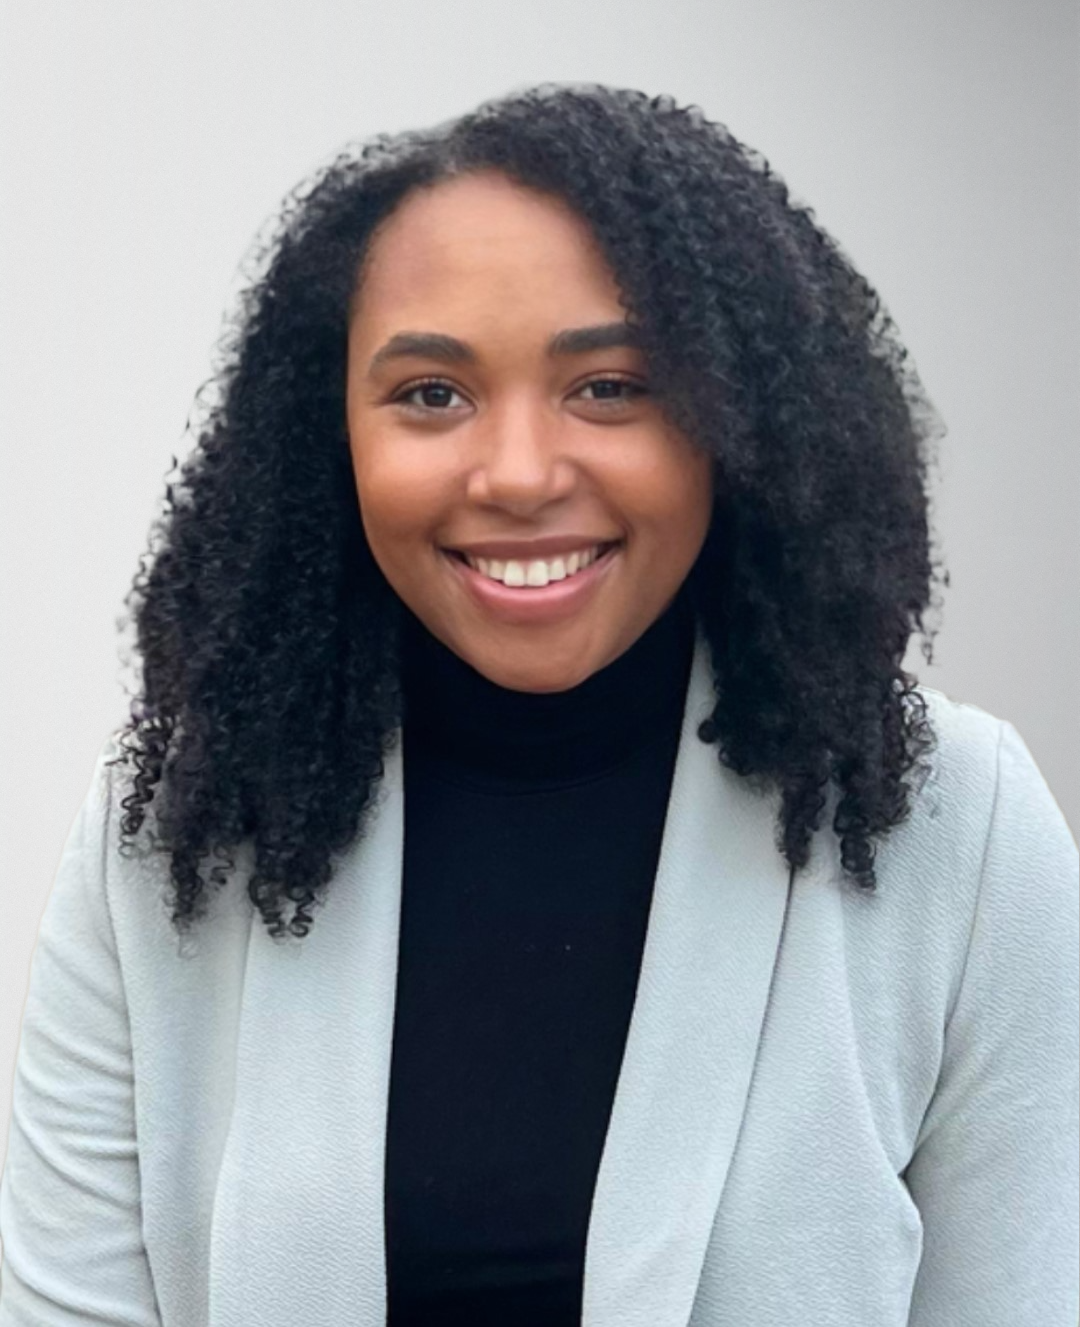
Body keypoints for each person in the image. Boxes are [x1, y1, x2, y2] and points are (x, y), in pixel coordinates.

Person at [0, 82, 1076, 1327]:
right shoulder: (175, 828)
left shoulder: (965, 832)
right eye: (431, 396)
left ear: (741, 422)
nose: (516, 475)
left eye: (611, 385)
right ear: (326, 436)